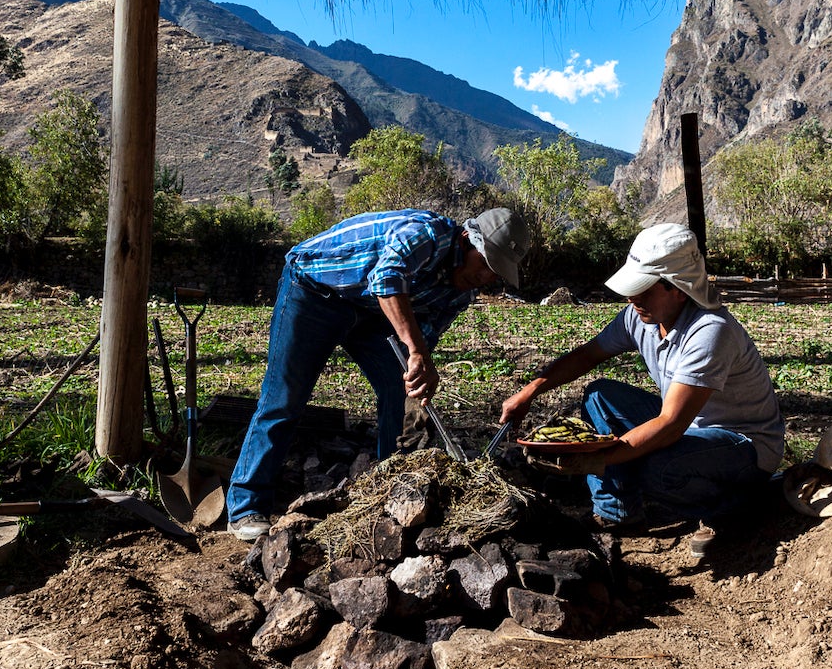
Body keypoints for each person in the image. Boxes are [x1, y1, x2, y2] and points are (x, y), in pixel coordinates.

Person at [227, 207, 532, 540]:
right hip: (315, 290)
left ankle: (393, 491)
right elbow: (386, 279)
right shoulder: (425, 234)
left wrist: (421, 372)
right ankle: (245, 507)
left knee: (400, 391)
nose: (486, 277)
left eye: (495, 273)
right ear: (465, 241)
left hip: (369, 311)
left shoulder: (459, 294)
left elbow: (422, 342)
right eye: (485, 263)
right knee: (285, 399)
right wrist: (415, 352)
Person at [499, 223, 783, 554]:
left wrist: (595, 461)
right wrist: (530, 391)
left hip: (742, 445)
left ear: (678, 288)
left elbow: (670, 425)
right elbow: (589, 354)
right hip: (689, 429)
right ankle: (616, 512)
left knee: (657, 468)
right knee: (600, 396)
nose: (633, 298)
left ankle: (734, 508)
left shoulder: (709, 331)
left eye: (644, 289)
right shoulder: (640, 316)